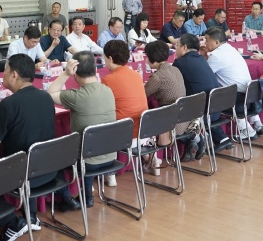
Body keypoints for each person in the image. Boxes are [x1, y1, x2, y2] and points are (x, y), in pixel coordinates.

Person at [0, 55, 79, 240]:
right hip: (49, 169)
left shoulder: (8, 104)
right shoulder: (46, 97)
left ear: (14, 75)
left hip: (22, 175)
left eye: (5, 71)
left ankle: (12, 222)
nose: (3, 76)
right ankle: (31, 217)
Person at [47, 51, 116, 208]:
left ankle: (67, 199)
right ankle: (87, 196)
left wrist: (65, 74)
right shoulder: (108, 90)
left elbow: (51, 93)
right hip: (110, 155)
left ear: (75, 74)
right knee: (89, 144)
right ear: (96, 70)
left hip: (87, 161)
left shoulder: (76, 96)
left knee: (51, 157)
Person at [172, 33, 232, 154]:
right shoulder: (202, 59)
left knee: (171, 110)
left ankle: (196, 139)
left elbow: (173, 84)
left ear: (184, 47)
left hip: (200, 114)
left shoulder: (180, 63)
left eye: (177, 45)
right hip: (216, 109)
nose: (175, 48)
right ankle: (222, 139)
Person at [203, 27, 263, 136]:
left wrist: (203, 57)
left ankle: (247, 131)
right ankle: (258, 124)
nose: (205, 43)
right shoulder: (230, 48)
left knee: (211, 96)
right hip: (251, 94)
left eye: (207, 40)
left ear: (216, 42)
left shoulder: (216, 55)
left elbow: (205, 75)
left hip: (238, 98)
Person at [101, 40, 151, 175]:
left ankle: (110, 175)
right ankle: (150, 159)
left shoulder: (108, 80)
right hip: (144, 130)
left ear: (110, 58)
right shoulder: (136, 74)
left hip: (124, 134)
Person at [143, 41, 193, 150]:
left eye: (147, 57)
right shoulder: (175, 69)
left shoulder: (158, 77)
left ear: (153, 58)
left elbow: (143, 94)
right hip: (184, 117)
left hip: (171, 123)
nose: (146, 60)